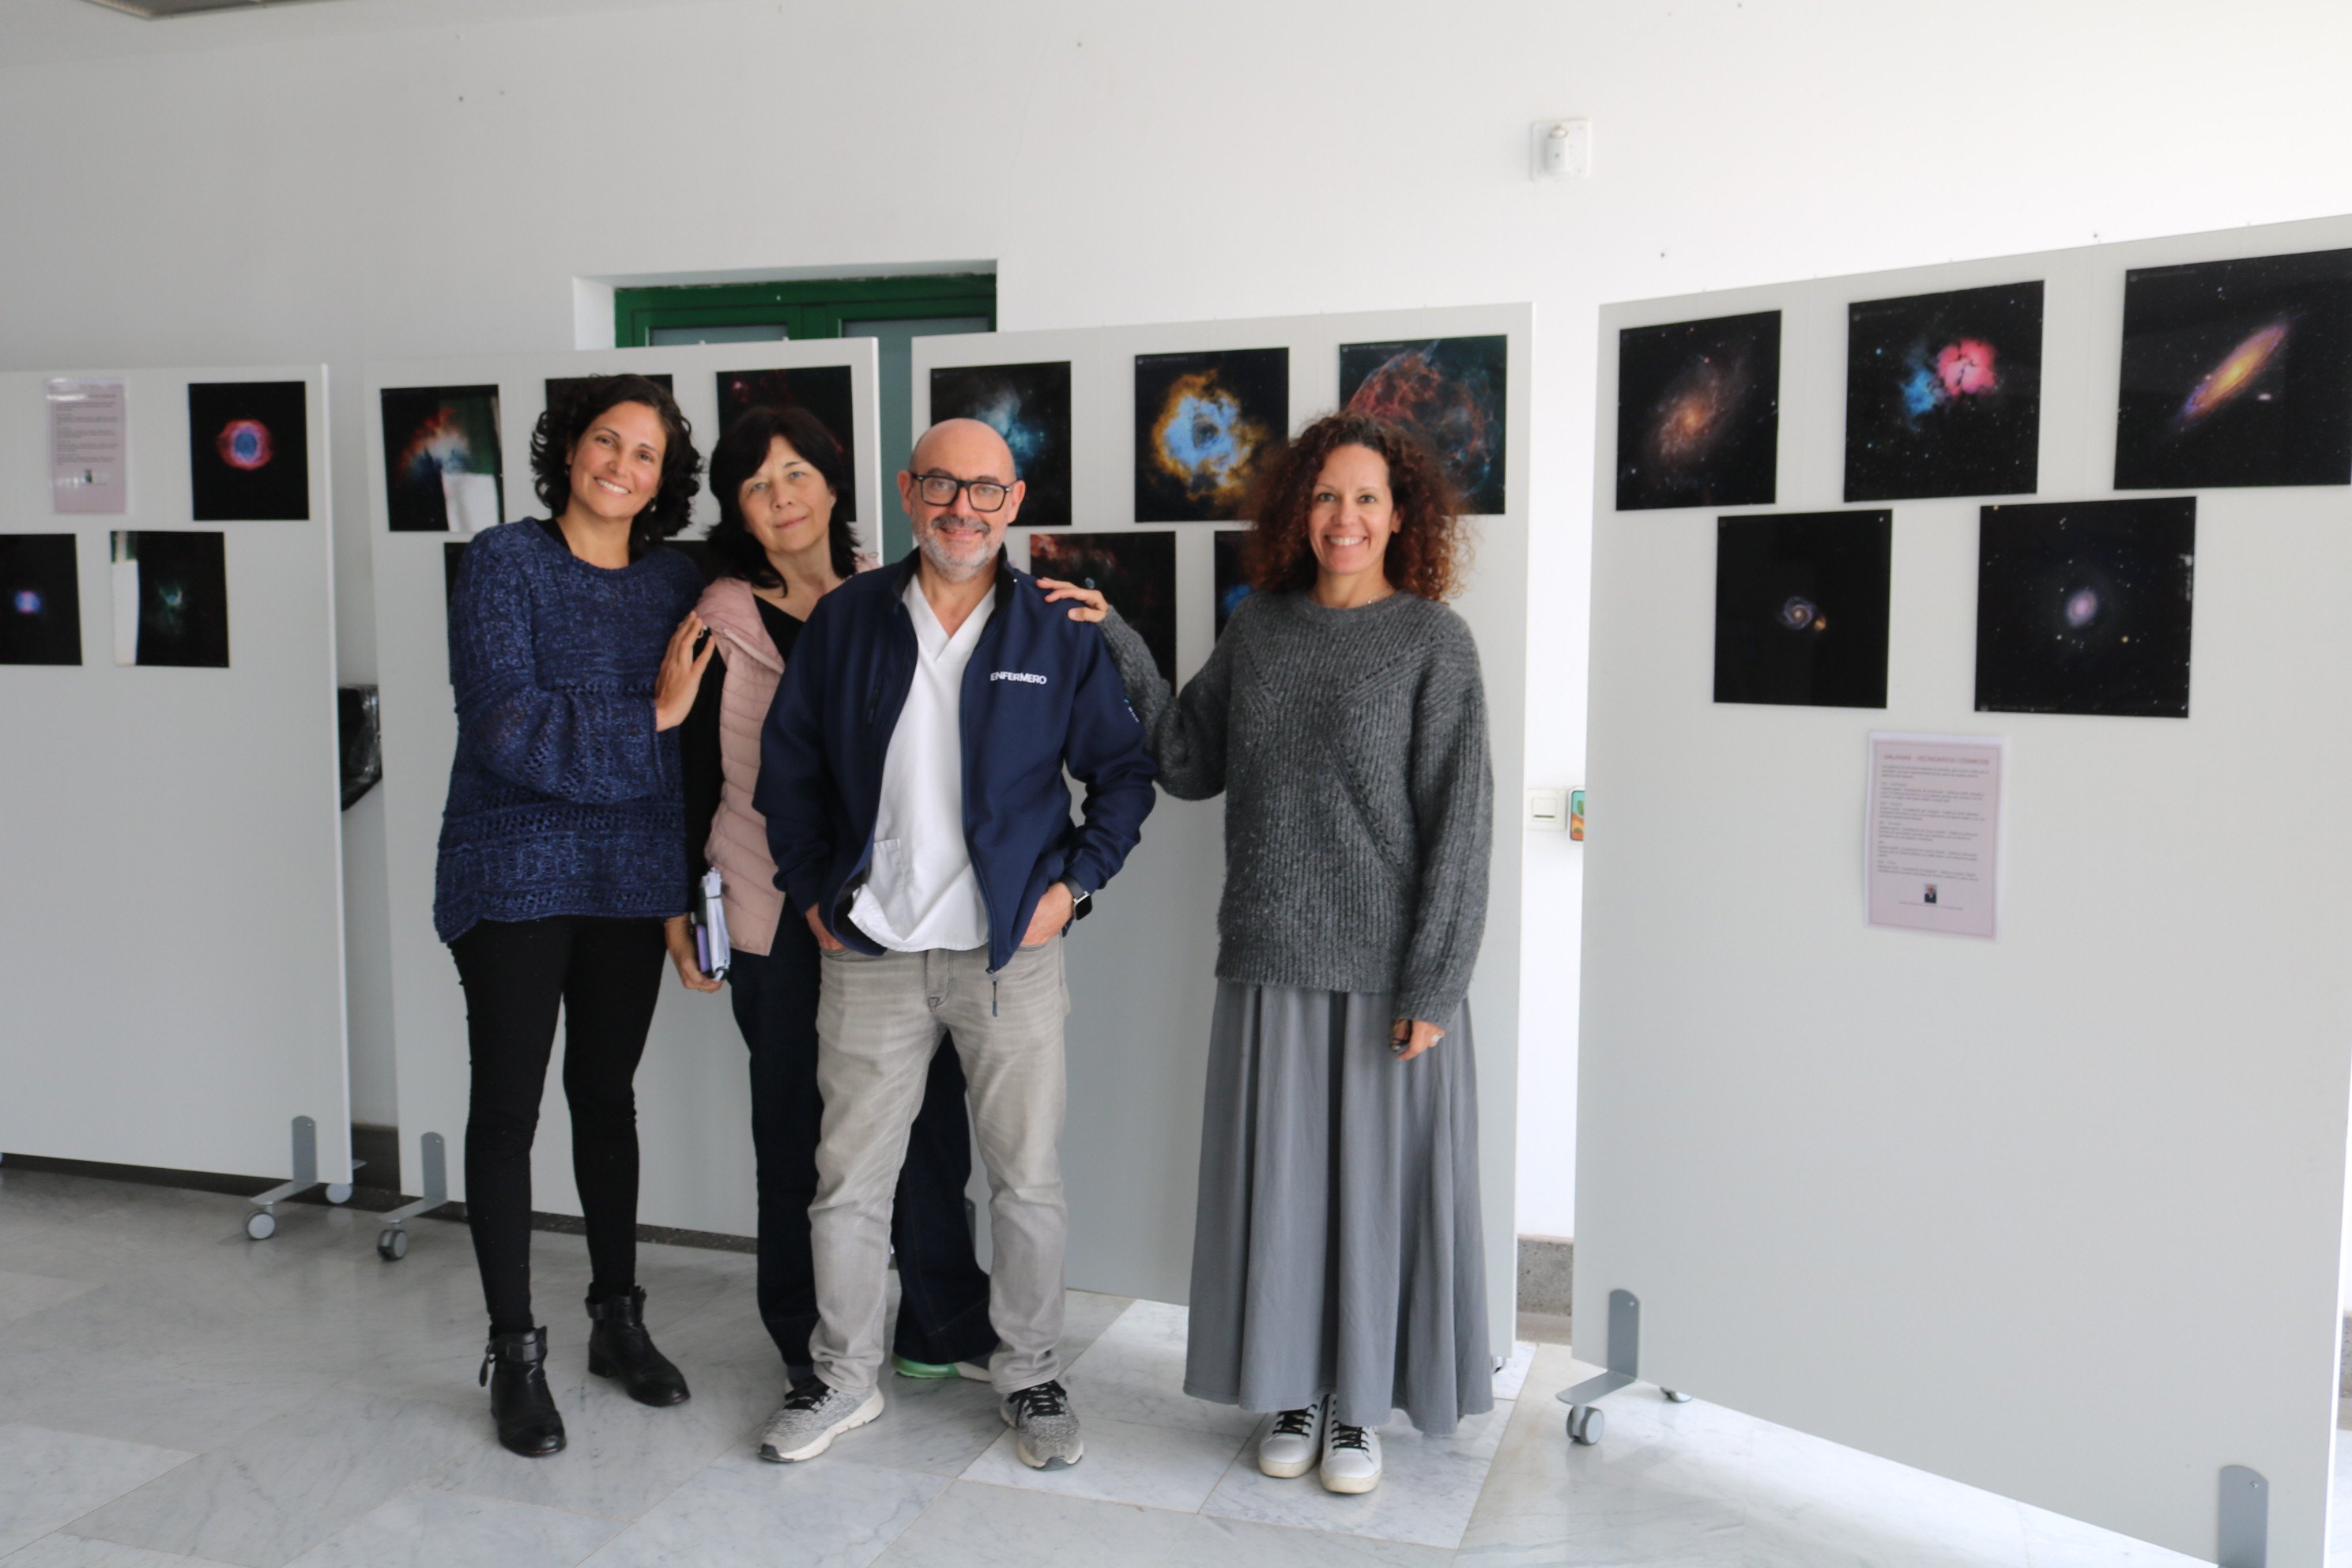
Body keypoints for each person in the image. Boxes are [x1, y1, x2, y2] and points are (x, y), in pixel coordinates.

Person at [1042, 410, 1494, 1496]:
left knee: (1375, 1200)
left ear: (1402, 517)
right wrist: (1117, 638)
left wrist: (1438, 980)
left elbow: (1462, 822)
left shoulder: (1435, 641)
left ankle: (1360, 1409)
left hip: (1392, 971)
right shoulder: (1262, 629)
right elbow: (1188, 758)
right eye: (1328, 496)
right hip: (1269, 957)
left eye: (1368, 499)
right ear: (1302, 510)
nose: (1346, 517)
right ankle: (1297, 1390)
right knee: (1289, 1195)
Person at [751, 418, 1157, 1469]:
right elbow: (784, 772)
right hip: (873, 954)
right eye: (941, 486)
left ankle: (1029, 1376)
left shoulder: (1055, 631)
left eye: (984, 490)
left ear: (1014, 501)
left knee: (1027, 1181)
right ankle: (842, 1381)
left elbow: (1122, 776)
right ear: (906, 491)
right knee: (846, 1186)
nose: (961, 508)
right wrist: (810, 895)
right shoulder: (847, 621)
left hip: (1008, 960)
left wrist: (1073, 890)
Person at [671, 404, 997, 1386]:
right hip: (772, 911)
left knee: (929, 1121)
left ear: (833, 482)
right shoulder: (716, 619)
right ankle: (806, 1340)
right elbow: (686, 781)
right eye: (758, 482)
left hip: (896, 911)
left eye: (797, 472)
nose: (782, 496)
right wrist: (679, 915)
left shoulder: (890, 593)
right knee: (798, 1133)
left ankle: (942, 1319)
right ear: (738, 505)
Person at [434, 374, 710, 1459]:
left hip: (630, 871)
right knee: (507, 1112)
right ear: (571, 450)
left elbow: (684, 754)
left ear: (662, 480)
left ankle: (616, 1320)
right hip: (512, 870)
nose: (622, 467)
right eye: (609, 443)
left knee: (606, 1097)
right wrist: (646, 713)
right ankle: (515, 1348)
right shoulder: (506, 561)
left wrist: (680, 893)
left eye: (646, 456)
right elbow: (503, 719)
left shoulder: (675, 580)